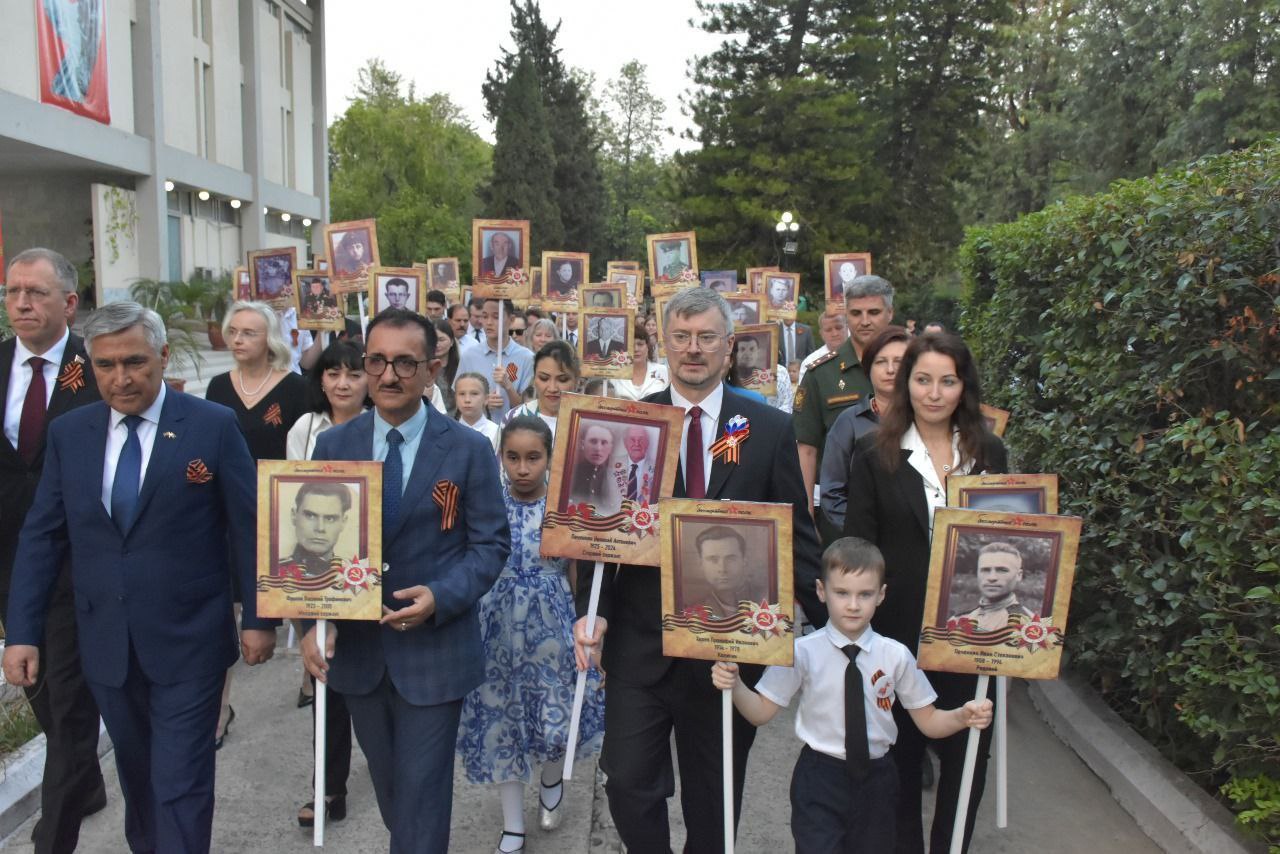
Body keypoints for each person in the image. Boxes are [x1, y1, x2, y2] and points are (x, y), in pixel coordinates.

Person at [2, 301, 277, 854]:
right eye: (105, 365)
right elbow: (42, 537)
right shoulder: (71, 433)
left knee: (179, 782)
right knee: (140, 779)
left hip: (189, 641)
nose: (120, 379)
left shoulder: (211, 426)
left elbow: (252, 528)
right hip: (104, 644)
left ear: (163, 357)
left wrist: (261, 617)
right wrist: (23, 630)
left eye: (134, 362)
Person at [572, 287, 825, 853]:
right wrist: (593, 616)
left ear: (728, 346)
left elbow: (797, 538)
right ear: (664, 342)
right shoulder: (628, 427)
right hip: (640, 644)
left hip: (727, 652)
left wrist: (833, 627)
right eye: (682, 337)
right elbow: (595, 535)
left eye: (706, 337)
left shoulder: (768, 429)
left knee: (715, 802)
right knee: (629, 784)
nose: (693, 349)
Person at [300, 309, 509, 852]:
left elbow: (490, 545)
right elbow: (305, 550)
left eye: (404, 363)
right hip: (359, 655)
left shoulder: (467, 449)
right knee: (396, 792)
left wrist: (442, 595)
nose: (388, 375)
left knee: (421, 793)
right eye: (377, 361)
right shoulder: (333, 447)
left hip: (434, 652)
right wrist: (309, 622)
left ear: (432, 367)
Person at [711, 537, 994, 854]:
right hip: (820, 777)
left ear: (881, 595)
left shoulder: (896, 656)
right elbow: (760, 712)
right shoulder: (800, 652)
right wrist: (734, 685)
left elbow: (929, 722)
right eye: (842, 593)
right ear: (821, 591)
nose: (853, 604)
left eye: (865, 594)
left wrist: (962, 716)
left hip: (878, 781)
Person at [843, 332, 1007, 854]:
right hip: (898, 636)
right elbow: (859, 548)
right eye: (923, 380)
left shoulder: (989, 452)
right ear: (905, 383)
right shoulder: (874, 454)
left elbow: (1013, 538)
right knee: (899, 766)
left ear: (965, 387)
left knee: (965, 765)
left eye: (948, 381)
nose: (934, 393)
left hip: (976, 637)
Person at [0, 248, 107, 854]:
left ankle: (53, 838)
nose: (20, 303)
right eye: (13, 292)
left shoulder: (97, 370)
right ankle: (86, 784)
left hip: (72, 561)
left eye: (35, 293)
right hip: (7, 561)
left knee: (66, 704)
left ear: (68, 303)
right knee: (41, 694)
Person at [458, 417, 605, 854]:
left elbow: (579, 571)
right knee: (500, 721)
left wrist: (586, 623)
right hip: (496, 627)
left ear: (549, 458)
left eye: (533, 457)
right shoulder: (488, 504)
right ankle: (513, 826)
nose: (522, 468)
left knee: (555, 716)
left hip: (552, 625)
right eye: (512, 457)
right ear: (500, 456)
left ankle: (550, 773)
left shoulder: (565, 507)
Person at [204, 301, 308, 746]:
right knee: (225, 606)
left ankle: (311, 669)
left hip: (281, 508)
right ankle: (220, 707)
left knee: (296, 599)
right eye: (234, 331)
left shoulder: (296, 388)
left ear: (270, 339)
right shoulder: (216, 386)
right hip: (227, 512)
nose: (239, 339)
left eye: (249, 331)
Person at [795, 276, 895, 537]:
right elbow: (806, 448)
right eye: (856, 313)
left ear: (890, 313)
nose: (864, 321)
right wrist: (806, 512)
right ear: (847, 316)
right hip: (840, 510)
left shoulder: (914, 368)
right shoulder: (820, 374)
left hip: (903, 503)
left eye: (874, 312)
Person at [820, 326, 911, 530]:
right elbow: (832, 492)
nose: (890, 370)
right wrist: (861, 533)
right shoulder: (849, 422)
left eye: (899, 362)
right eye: (881, 362)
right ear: (868, 369)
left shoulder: (925, 421)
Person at [456, 298, 534, 412]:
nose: (488, 322)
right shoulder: (469, 356)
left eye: (496, 317)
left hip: (512, 428)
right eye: (485, 316)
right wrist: (482, 403)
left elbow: (528, 409)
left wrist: (508, 386)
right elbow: (458, 402)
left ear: (511, 320)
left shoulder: (527, 357)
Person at [950, 541, 1036, 631]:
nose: (992, 578)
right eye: (985, 570)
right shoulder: (958, 618)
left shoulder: (1028, 625)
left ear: (1019, 575)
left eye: (1002, 570)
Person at [501, 341, 579, 437]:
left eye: (562, 380)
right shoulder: (514, 418)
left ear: (576, 381)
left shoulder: (589, 422)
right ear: (534, 379)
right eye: (544, 378)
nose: (552, 388)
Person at [685, 526, 767, 617]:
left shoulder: (767, 597)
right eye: (713, 560)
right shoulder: (693, 611)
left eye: (730, 559)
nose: (722, 569)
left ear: (744, 561)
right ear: (701, 564)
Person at [277, 482, 351, 577]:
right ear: (294, 516)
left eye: (330, 519)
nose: (320, 528)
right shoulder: (271, 571)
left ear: (343, 522)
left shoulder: (354, 575)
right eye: (310, 516)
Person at [566, 422, 622, 517]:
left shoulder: (617, 480)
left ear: (610, 448)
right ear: (583, 444)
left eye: (604, 443)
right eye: (593, 441)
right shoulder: (568, 474)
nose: (598, 448)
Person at [614, 320, 669, 401]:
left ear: (647, 346)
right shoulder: (615, 373)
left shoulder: (662, 370)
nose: (636, 349)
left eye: (640, 344)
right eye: (631, 345)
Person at [797, 310, 848, 385]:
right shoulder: (810, 362)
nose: (834, 333)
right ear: (821, 334)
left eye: (838, 328)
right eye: (828, 330)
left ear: (847, 328)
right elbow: (804, 395)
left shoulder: (862, 354)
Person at [455, 372, 501, 452]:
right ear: (455, 398)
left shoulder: (496, 433)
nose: (467, 400)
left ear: (486, 399)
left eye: (474, 394)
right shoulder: (448, 432)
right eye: (462, 394)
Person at [619, 424, 657, 505]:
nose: (637, 444)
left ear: (648, 443)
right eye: (632, 439)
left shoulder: (659, 468)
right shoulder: (610, 465)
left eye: (641, 439)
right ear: (625, 443)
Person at [432, 318, 459, 415]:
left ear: (451, 341)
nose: (437, 344)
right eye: (433, 340)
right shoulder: (423, 369)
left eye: (441, 340)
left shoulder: (460, 367)